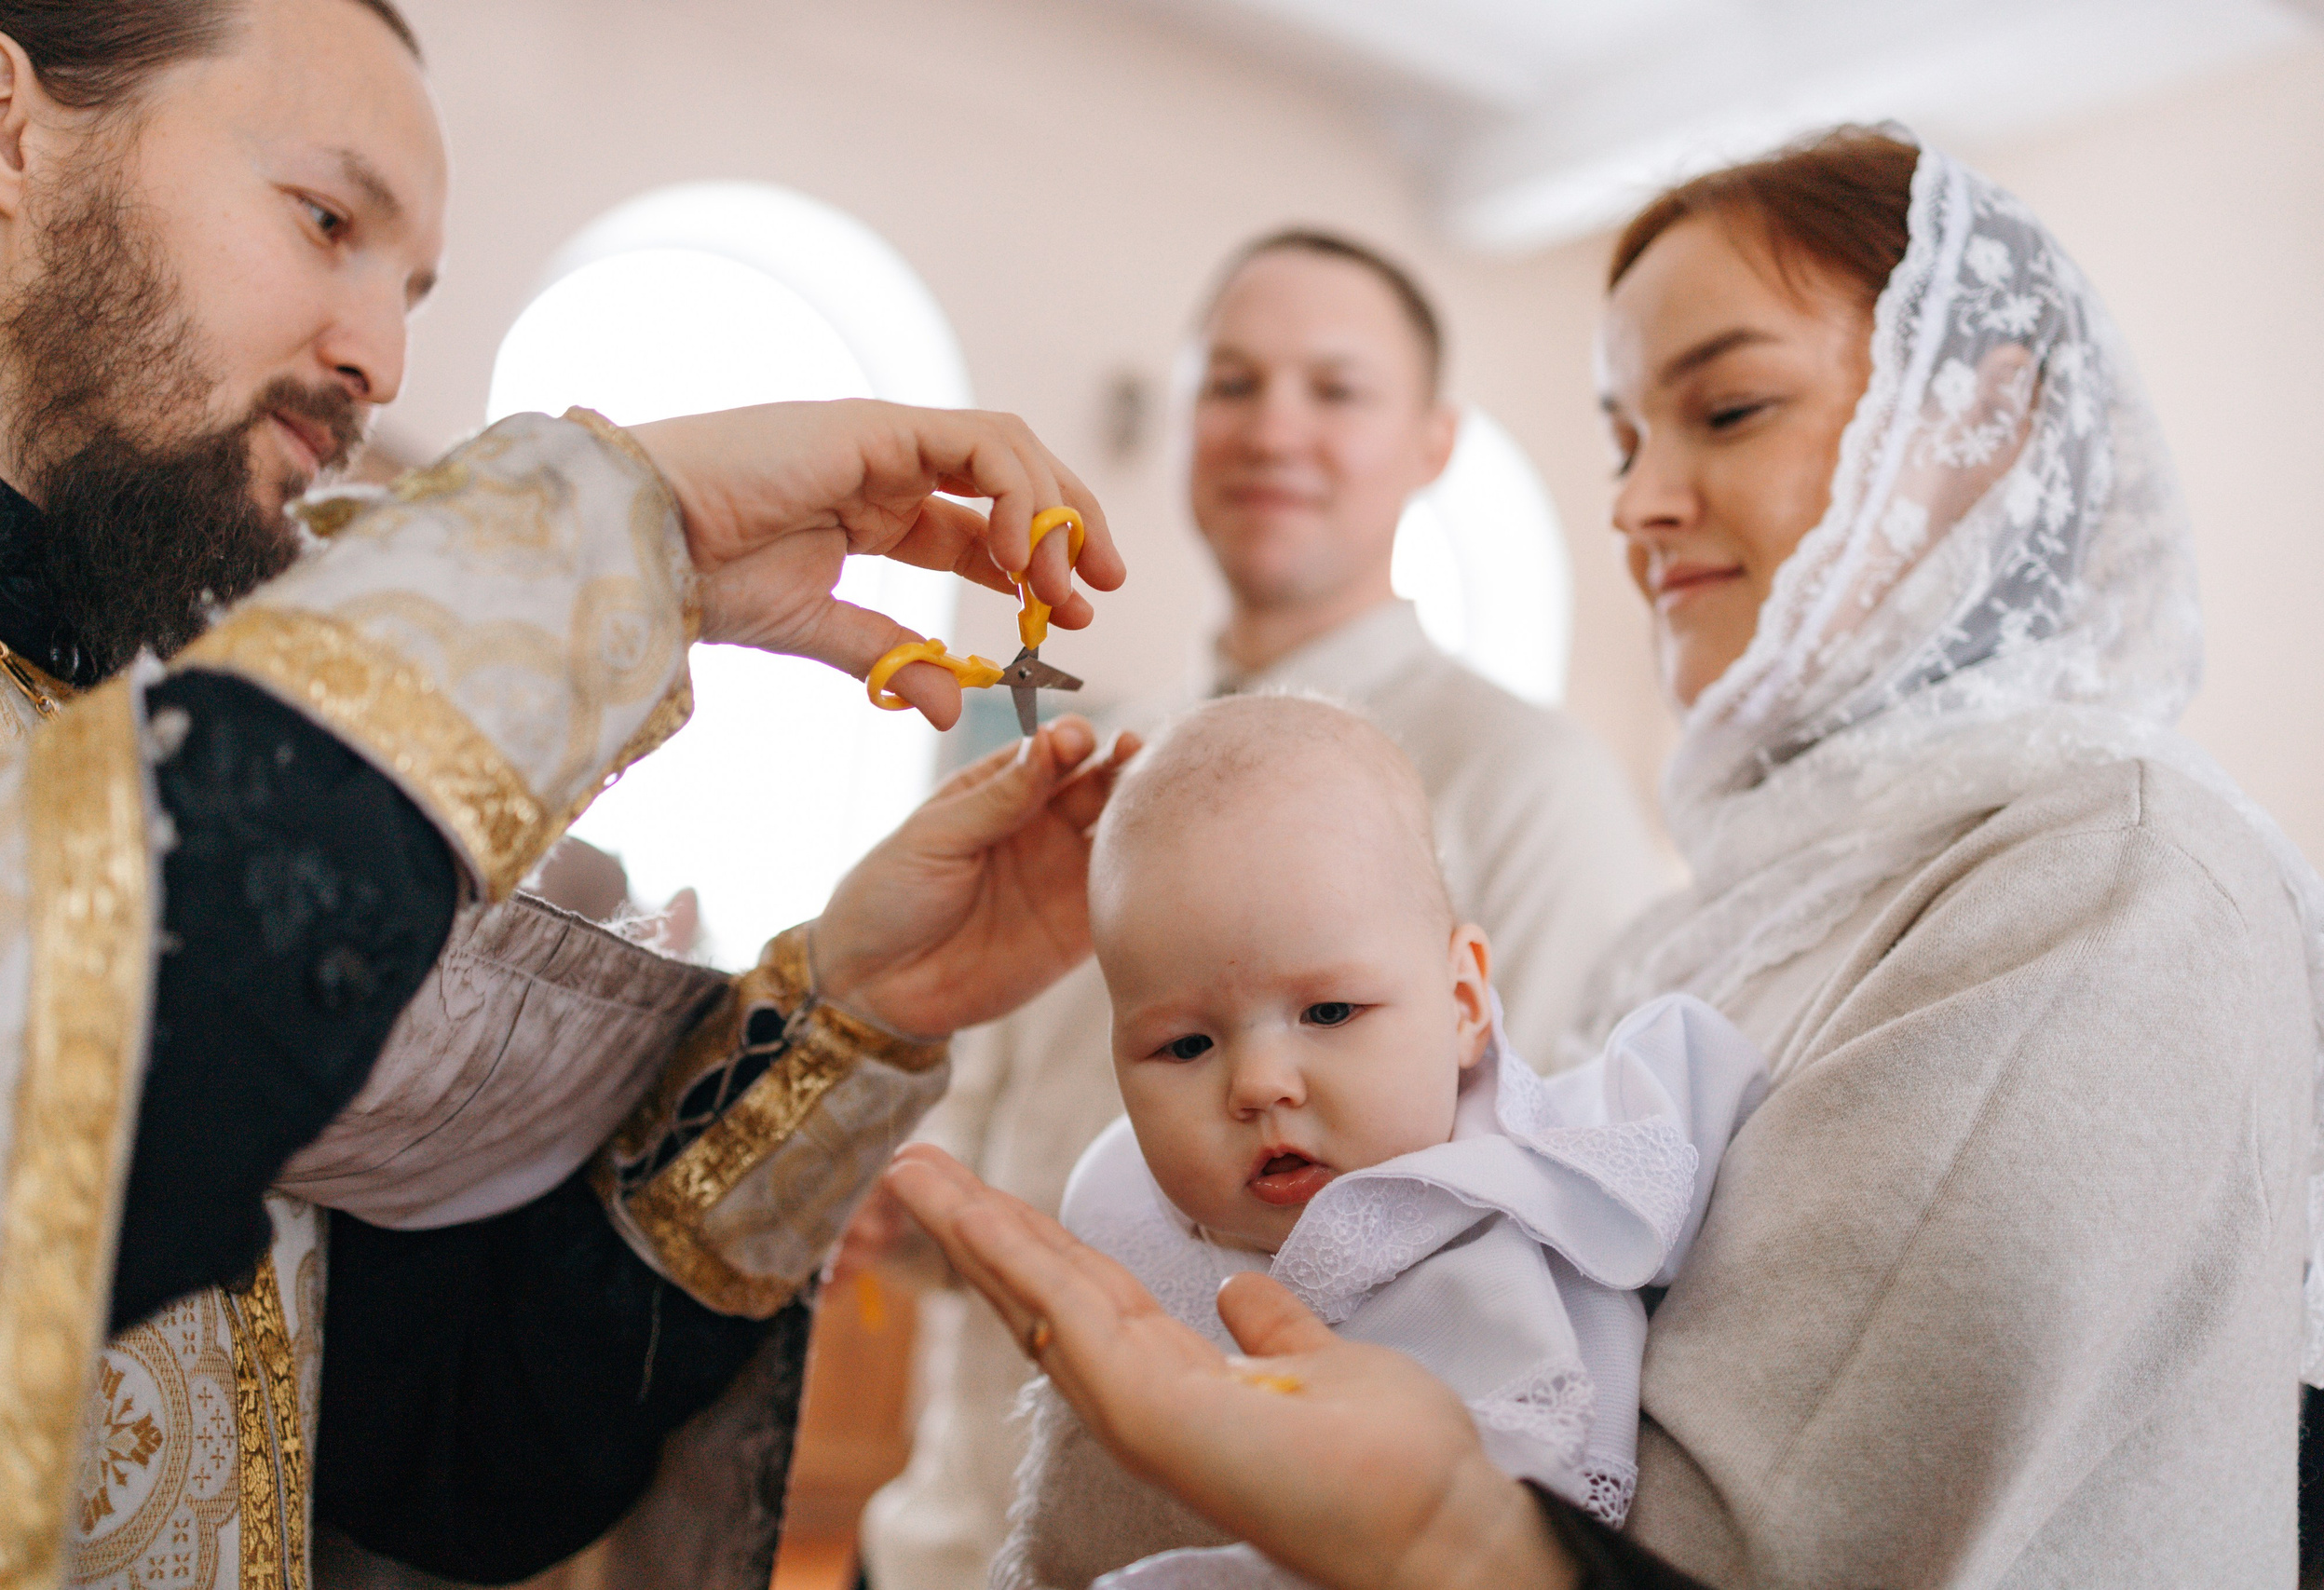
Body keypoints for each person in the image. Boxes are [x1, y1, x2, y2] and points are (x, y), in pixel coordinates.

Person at [880, 127, 2324, 1590]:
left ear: (1984, 419)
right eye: (1625, 441)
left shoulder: (2107, 880)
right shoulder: (1724, 914)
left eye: (1732, 407)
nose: (1635, 503)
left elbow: (1759, 1535)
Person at [0, 1, 1132, 1585]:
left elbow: (443, 1455)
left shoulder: (147, 719)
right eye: (326, 219)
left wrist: (848, 1009)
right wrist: (602, 530)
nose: (380, 357)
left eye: (409, 284)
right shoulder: (210, 785)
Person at [857, 229, 1663, 1590]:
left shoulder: (1526, 781)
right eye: (1231, 383)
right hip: (952, 1534)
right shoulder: (1092, 763)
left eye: (1335, 389)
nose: (1273, 426)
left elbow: (1537, 1207)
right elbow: (1004, 1130)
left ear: (1433, 442)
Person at [990, 696, 1762, 1590]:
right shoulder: (1121, 1197)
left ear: (1465, 1002)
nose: (1258, 1083)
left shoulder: (1503, 1212)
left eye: (1328, 1011)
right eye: (1185, 1045)